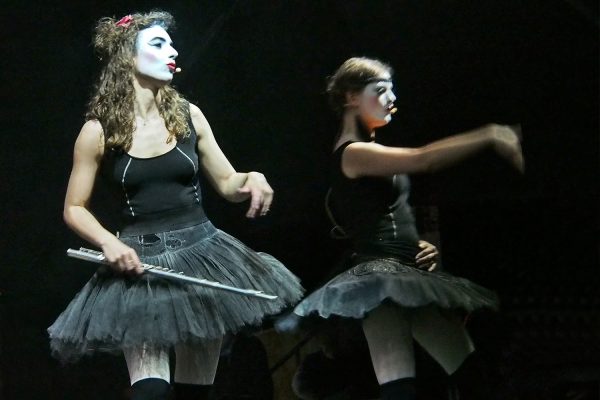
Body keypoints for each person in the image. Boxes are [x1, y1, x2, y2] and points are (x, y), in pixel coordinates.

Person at [47, 11, 303, 400]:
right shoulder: (98, 131)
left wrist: (250, 179)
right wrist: (108, 242)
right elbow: (75, 208)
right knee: (151, 391)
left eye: (171, 43)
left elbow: (227, 183)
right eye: (158, 43)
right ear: (128, 59)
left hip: (202, 252)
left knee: (195, 393)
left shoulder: (189, 116)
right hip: (141, 263)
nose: (173, 51)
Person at [284, 57, 523, 400]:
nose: (391, 98)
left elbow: (387, 214)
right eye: (380, 90)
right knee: (402, 389)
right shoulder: (353, 153)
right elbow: (422, 158)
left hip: (406, 272)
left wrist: (418, 245)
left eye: (392, 90)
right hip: (380, 281)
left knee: (472, 376)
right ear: (351, 97)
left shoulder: (371, 149)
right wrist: (490, 134)